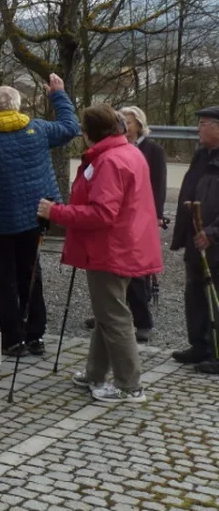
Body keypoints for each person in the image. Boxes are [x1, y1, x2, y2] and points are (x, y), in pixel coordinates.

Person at [37, 104, 161, 403]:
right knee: (107, 313)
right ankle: (95, 373)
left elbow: (102, 213)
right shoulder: (128, 151)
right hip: (125, 244)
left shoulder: (109, 160)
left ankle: (129, 385)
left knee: (114, 316)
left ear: (87, 133)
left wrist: (57, 212)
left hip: (112, 248)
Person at [0, 74, 80, 356]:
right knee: (31, 273)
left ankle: (12, 339)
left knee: (3, 279)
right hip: (34, 216)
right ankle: (36, 335)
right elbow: (71, 127)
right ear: (18, 105)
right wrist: (58, 95)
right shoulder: (38, 128)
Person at [82, 105, 166, 342]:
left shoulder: (151, 150)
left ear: (139, 124)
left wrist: (157, 214)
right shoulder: (114, 150)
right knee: (113, 278)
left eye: (128, 122)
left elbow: (158, 184)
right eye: (122, 122)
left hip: (138, 218)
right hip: (121, 219)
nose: (125, 127)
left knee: (134, 275)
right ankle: (108, 315)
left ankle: (142, 321)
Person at [169, 105, 219, 373]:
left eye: (203, 124)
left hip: (214, 240)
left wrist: (212, 232)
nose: (198, 128)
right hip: (195, 237)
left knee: (216, 295)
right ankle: (199, 345)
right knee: (195, 293)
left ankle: (217, 352)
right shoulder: (201, 156)